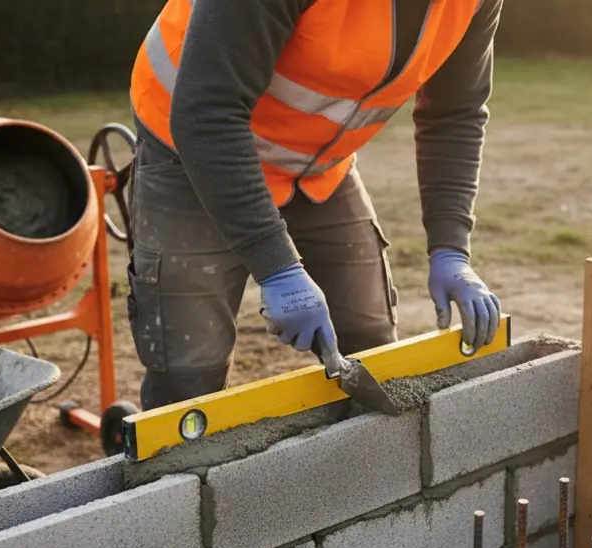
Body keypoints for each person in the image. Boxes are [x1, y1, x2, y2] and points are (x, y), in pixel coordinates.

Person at [124, 0, 504, 410]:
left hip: (317, 169)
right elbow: (206, 111)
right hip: (192, 156)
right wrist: (277, 267)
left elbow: (455, 113)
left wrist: (451, 248)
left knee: (372, 350)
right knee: (188, 383)